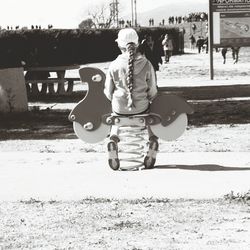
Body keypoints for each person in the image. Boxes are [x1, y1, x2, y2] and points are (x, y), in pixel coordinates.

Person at [104, 28, 159, 170]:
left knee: (115, 121)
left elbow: (108, 92)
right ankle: (152, 141)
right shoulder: (147, 64)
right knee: (150, 118)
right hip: (142, 109)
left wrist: (114, 99)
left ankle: (113, 140)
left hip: (120, 109)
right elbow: (152, 89)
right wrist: (151, 98)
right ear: (138, 44)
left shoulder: (114, 65)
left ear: (119, 45)